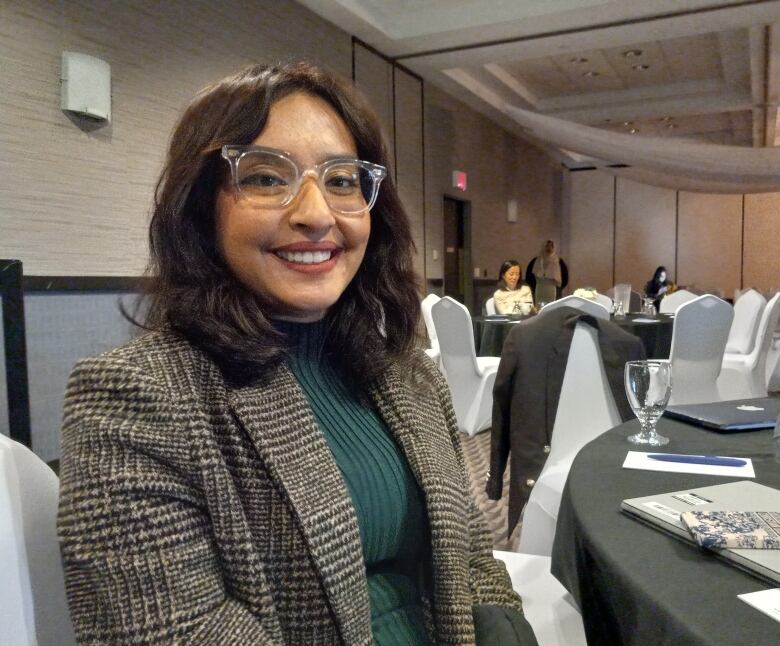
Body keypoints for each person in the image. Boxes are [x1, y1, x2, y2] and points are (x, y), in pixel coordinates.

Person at [57, 62, 537, 645]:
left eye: (341, 180)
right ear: (201, 206)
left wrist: (505, 626)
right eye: (265, 178)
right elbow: (170, 631)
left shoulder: (406, 371)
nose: (315, 213)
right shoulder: (135, 398)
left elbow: (466, 554)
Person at [525, 239, 568, 304]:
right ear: (544, 247)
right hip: (539, 289)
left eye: (551, 246)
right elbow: (529, 277)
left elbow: (564, 278)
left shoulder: (558, 261)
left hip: (554, 290)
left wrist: (559, 288)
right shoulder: (536, 261)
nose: (549, 248)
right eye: (547, 246)